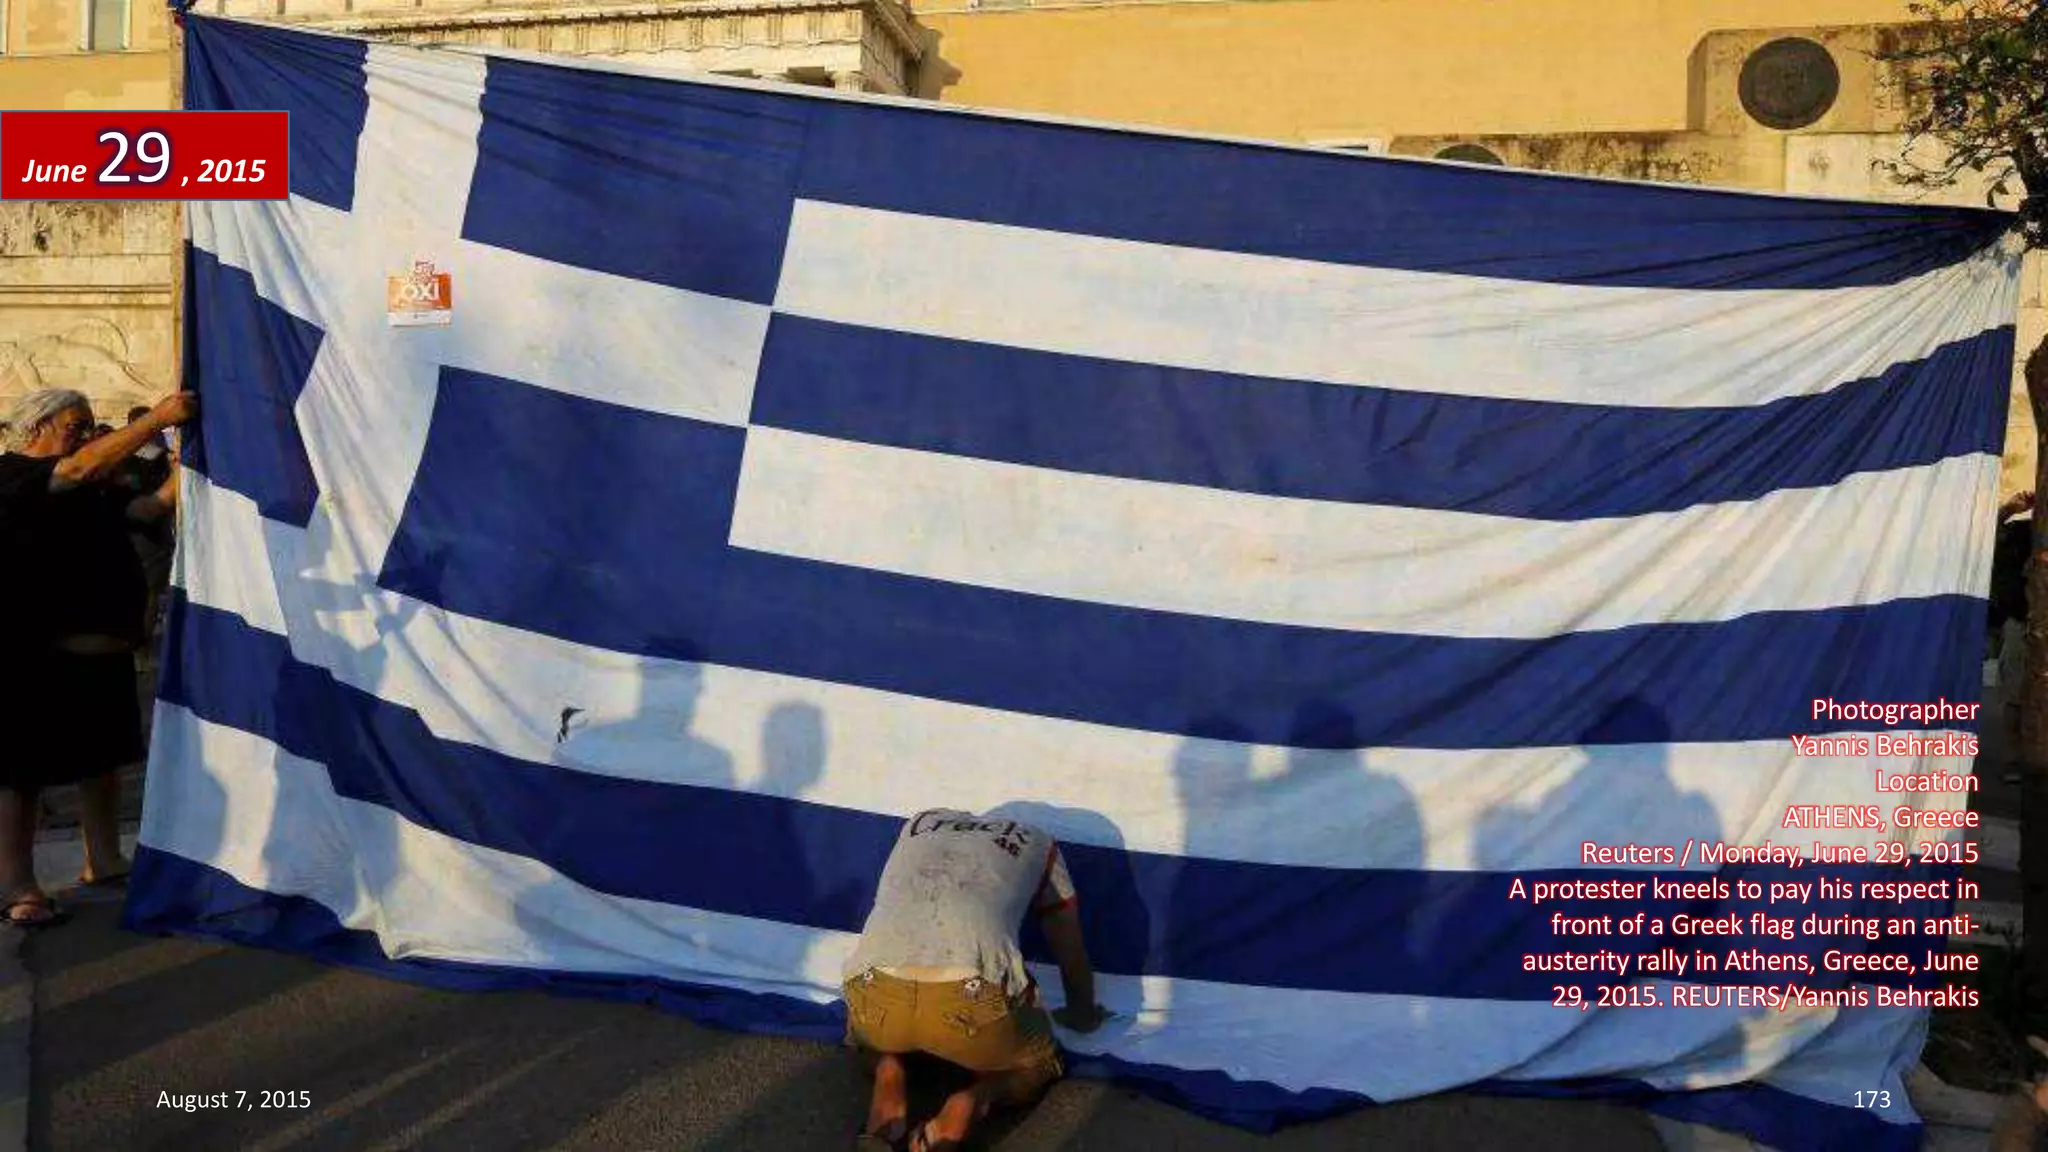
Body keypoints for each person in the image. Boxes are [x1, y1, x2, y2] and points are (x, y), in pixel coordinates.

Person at [0, 388, 197, 927]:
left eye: (90, 424)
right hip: (31, 655)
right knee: (21, 774)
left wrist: (187, 466)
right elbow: (77, 468)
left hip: (101, 655)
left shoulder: (96, 486)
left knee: (102, 762)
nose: (87, 433)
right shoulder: (14, 474)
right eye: (75, 423)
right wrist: (157, 418)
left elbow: (146, 509)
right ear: (37, 425)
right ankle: (17, 882)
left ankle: (103, 858)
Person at [843, 808, 1108, 1151]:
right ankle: (970, 1102)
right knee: (1041, 1062)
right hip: (968, 998)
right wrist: (1082, 1012)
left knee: (861, 1037)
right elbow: (1069, 950)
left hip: (875, 986)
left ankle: (889, 1077)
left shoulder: (917, 823)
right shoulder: (1041, 844)